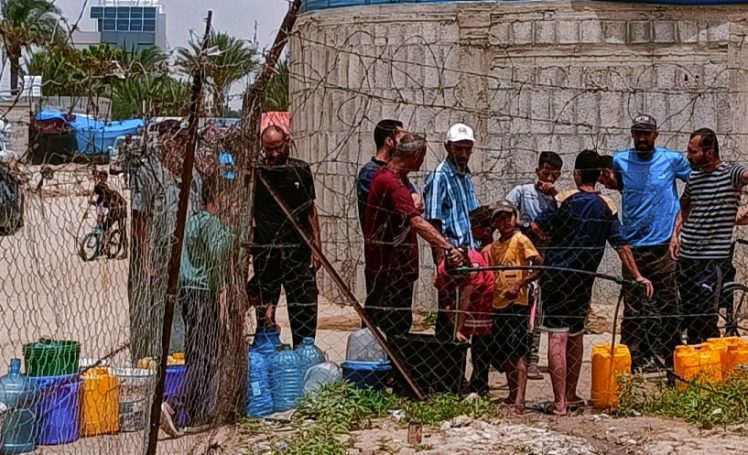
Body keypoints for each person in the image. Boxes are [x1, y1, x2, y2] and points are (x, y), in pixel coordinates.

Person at [536, 150, 653, 416]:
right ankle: (570, 394)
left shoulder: (563, 200)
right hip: (584, 279)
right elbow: (621, 245)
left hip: (556, 277)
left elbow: (537, 227)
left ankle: (559, 403)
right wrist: (637, 275)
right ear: (599, 175)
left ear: (577, 174)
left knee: (557, 336)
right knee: (576, 334)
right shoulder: (606, 205)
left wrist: (549, 241)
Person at [364, 133, 463, 339]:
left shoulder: (397, 179)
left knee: (394, 325)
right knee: (390, 329)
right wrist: (448, 246)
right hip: (390, 271)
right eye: (423, 156)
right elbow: (416, 222)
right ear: (417, 155)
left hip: (396, 269)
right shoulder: (391, 182)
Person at [613, 114, 690, 371]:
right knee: (633, 310)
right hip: (633, 247)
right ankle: (630, 365)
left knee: (669, 307)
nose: (642, 138)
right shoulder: (620, 160)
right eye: (638, 133)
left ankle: (673, 364)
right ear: (632, 134)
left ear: (656, 134)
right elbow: (619, 185)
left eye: (647, 133)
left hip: (663, 247)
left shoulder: (671, 160)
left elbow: (694, 186)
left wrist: (679, 223)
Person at [160, 179, 235, 437]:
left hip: (188, 293)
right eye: (227, 196)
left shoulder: (191, 221)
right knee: (207, 357)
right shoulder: (210, 223)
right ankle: (172, 404)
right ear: (219, 196)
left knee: (195, 354)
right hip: (203, 295)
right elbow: (218, 252)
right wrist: (233, 233)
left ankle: (192, 416)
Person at [128, 124, 203, 362]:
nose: (185, 150)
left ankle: (181, 361)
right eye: (180, 143)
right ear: (168, 144)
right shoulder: (149, 174)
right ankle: (159, 362)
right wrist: (146, 259)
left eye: (188, 144)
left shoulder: (193, 176)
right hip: (159, 258)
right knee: (159, 313)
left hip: (191, 260)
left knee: (187, 313)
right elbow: (139, 219)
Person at [670, 128, 748, 344]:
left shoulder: (731, 173)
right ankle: (693, 357)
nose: (688, 156)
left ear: (710, 152)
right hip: (687, 257)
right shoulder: (694, 177)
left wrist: (742, 213)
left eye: (693, 152)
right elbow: (685, 208)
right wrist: (675, 236)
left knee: (705, 316)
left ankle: (709, 357)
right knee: (688, 315)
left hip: (711, 261)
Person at [247, 125, 321, 348]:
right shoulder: (257, 173)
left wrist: (316, 246)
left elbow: (310, 210)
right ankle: (267, 347)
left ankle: (304, 349)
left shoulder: (300, 170)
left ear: (287, 142)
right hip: (266, 251)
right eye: (268, 149)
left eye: (278, 147)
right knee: (265, 308)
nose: (274, 154)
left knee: (303, 305)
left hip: (297, 250)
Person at [505, 151, 563, 380]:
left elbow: (566, 216)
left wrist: (555, 195)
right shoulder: (522, 192)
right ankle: (509, 357)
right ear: (538, 170)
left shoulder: (558, 199)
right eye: (545, 173)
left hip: (544, 260)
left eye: (554, 175)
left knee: (537, 312)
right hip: (520, 261)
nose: (548, 178)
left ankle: (532, 359)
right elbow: (504, 211)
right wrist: (528, 226)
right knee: (513, 308)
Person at [483, 200, 543, 412]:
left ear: (514, 218)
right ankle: (511, 393)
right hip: (499, 302)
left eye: (508, 217)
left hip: (517, 302)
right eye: (500, 218)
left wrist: (519, 284)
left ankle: (520, 399)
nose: (505, 222)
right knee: (505, 352)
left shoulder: (520, 240)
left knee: (518, 352)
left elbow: (539, 264)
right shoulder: (495, 247)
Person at [424, 123, 480, 340]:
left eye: (467, 149)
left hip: (469, 255)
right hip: (452, 257)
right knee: (449, 312)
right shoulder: (440, 176)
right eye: (458, 149)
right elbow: (433, 222)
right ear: (447, 147)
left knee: (466, 315)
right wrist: (442, 263)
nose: (463, 154)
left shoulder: (464, 176)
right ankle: (446, 357)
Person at [433, 206, 494, 395]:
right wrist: (454, 325)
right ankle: (454, 382)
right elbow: (446, 300)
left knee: (480, 343)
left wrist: (459, 329)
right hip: (457, 297)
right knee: (453, 340)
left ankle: (479, 384)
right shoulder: (442, 273)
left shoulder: (472, 270)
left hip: (482, 297)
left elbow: (465, 300)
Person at [90, 170, 127, 243]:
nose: (101, 178)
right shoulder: (105, 189)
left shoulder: (105, 189)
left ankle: (106, 241)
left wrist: (95, 203)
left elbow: (102, 199)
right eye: (100, 177)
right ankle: (106, 241)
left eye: (103, 177)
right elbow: (101, 200)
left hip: (118, 209)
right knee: (107, 226)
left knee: (118, 229)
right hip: (115, 209)